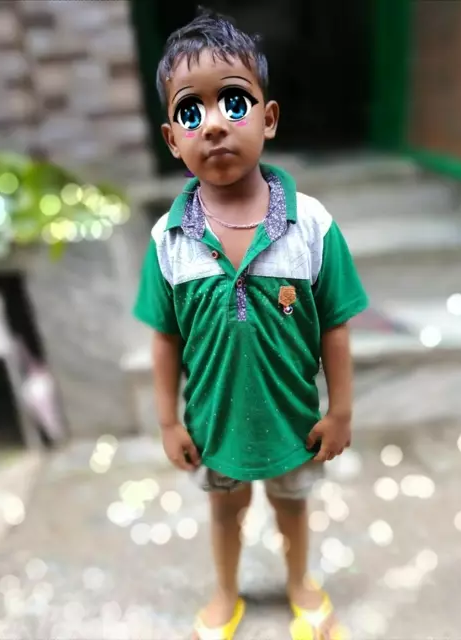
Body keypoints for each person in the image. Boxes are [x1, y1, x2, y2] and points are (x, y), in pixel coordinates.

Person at [134, 8, 368, 640]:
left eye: (233, 102)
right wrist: (168, 420)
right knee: (225, 511)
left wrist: (340, 410)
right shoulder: (167, 240)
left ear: (268, 118)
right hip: (214, 423)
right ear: (172, 140)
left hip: (294, 419)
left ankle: (300, 584)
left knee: (293, 508)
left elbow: (336, 325)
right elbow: (164, 336)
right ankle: (225, 591)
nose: (213, 123)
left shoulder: (310, 225)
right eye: (191, 112)